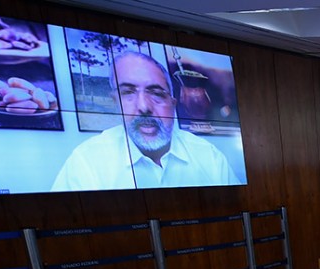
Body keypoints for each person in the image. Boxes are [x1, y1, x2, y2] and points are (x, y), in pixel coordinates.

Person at [52, 51, 236, 191]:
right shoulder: (86, 162)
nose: (144, 107)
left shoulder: (209, 156)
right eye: (128, 93)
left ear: (173, 104)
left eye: (156, 94)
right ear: (116, 102)